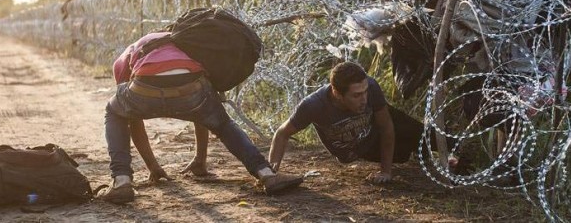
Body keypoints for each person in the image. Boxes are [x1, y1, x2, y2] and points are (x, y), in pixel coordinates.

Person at [98, 31, 303, 204]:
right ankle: (266, 174)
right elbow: (201, 115)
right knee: (223, 124)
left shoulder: (129, 54)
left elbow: (133, 120)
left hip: (146, 85)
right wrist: (200, 160)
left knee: (115, 112)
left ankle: (122, 181)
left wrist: (153, 165)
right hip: (192, 87)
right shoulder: (186, 42)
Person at [269, 61, 451, 184]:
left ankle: (455, 153)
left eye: (364, 92)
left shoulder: (370, 87)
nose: (364, 98)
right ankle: (425, 155)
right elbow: (282, 133)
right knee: (403, 155)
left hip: (378, 124)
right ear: (337, 93)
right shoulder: (313, 105)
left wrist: (386, 172)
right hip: (361, 147)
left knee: (425, 134)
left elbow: (386, 126)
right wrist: (272, 173)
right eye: (356, 95)